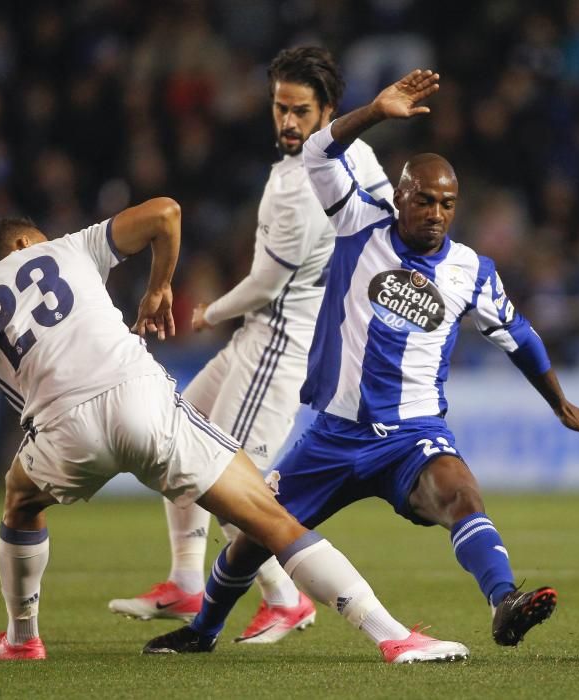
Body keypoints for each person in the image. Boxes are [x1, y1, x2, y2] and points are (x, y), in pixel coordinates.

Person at [0, 198, 468, 664]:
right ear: (26, 243)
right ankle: (392, 637)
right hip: (141, 400)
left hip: (65, 432)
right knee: (274, 521)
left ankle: (22, 638)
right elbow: (166, 212)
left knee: (18, 497)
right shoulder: (70, 246)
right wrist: (158, 286)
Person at [143, 70, 579, 655]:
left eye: (447, 204)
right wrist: (374, 110)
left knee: (463, 495)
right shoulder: (358, 222)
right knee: (254, 535)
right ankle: (203, 630)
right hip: (335, 434)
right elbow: (319, 151)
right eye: (424, 200)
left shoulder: (472, 270)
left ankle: (503, 602)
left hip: (412, 433)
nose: (436, 213)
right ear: (400, 196)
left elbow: (520, 338)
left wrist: (560, 403)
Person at [108, 46, 394, 644]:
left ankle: (287, 600)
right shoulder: (359, 156)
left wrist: (209, 310)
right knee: (176, 432)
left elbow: (267, 282)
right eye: (279, 108)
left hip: (278, 341)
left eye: (301, 112)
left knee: (227, 482)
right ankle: (187, 579)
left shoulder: (299, 187)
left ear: (329, 111)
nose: (288, 122)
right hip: (268, 333)